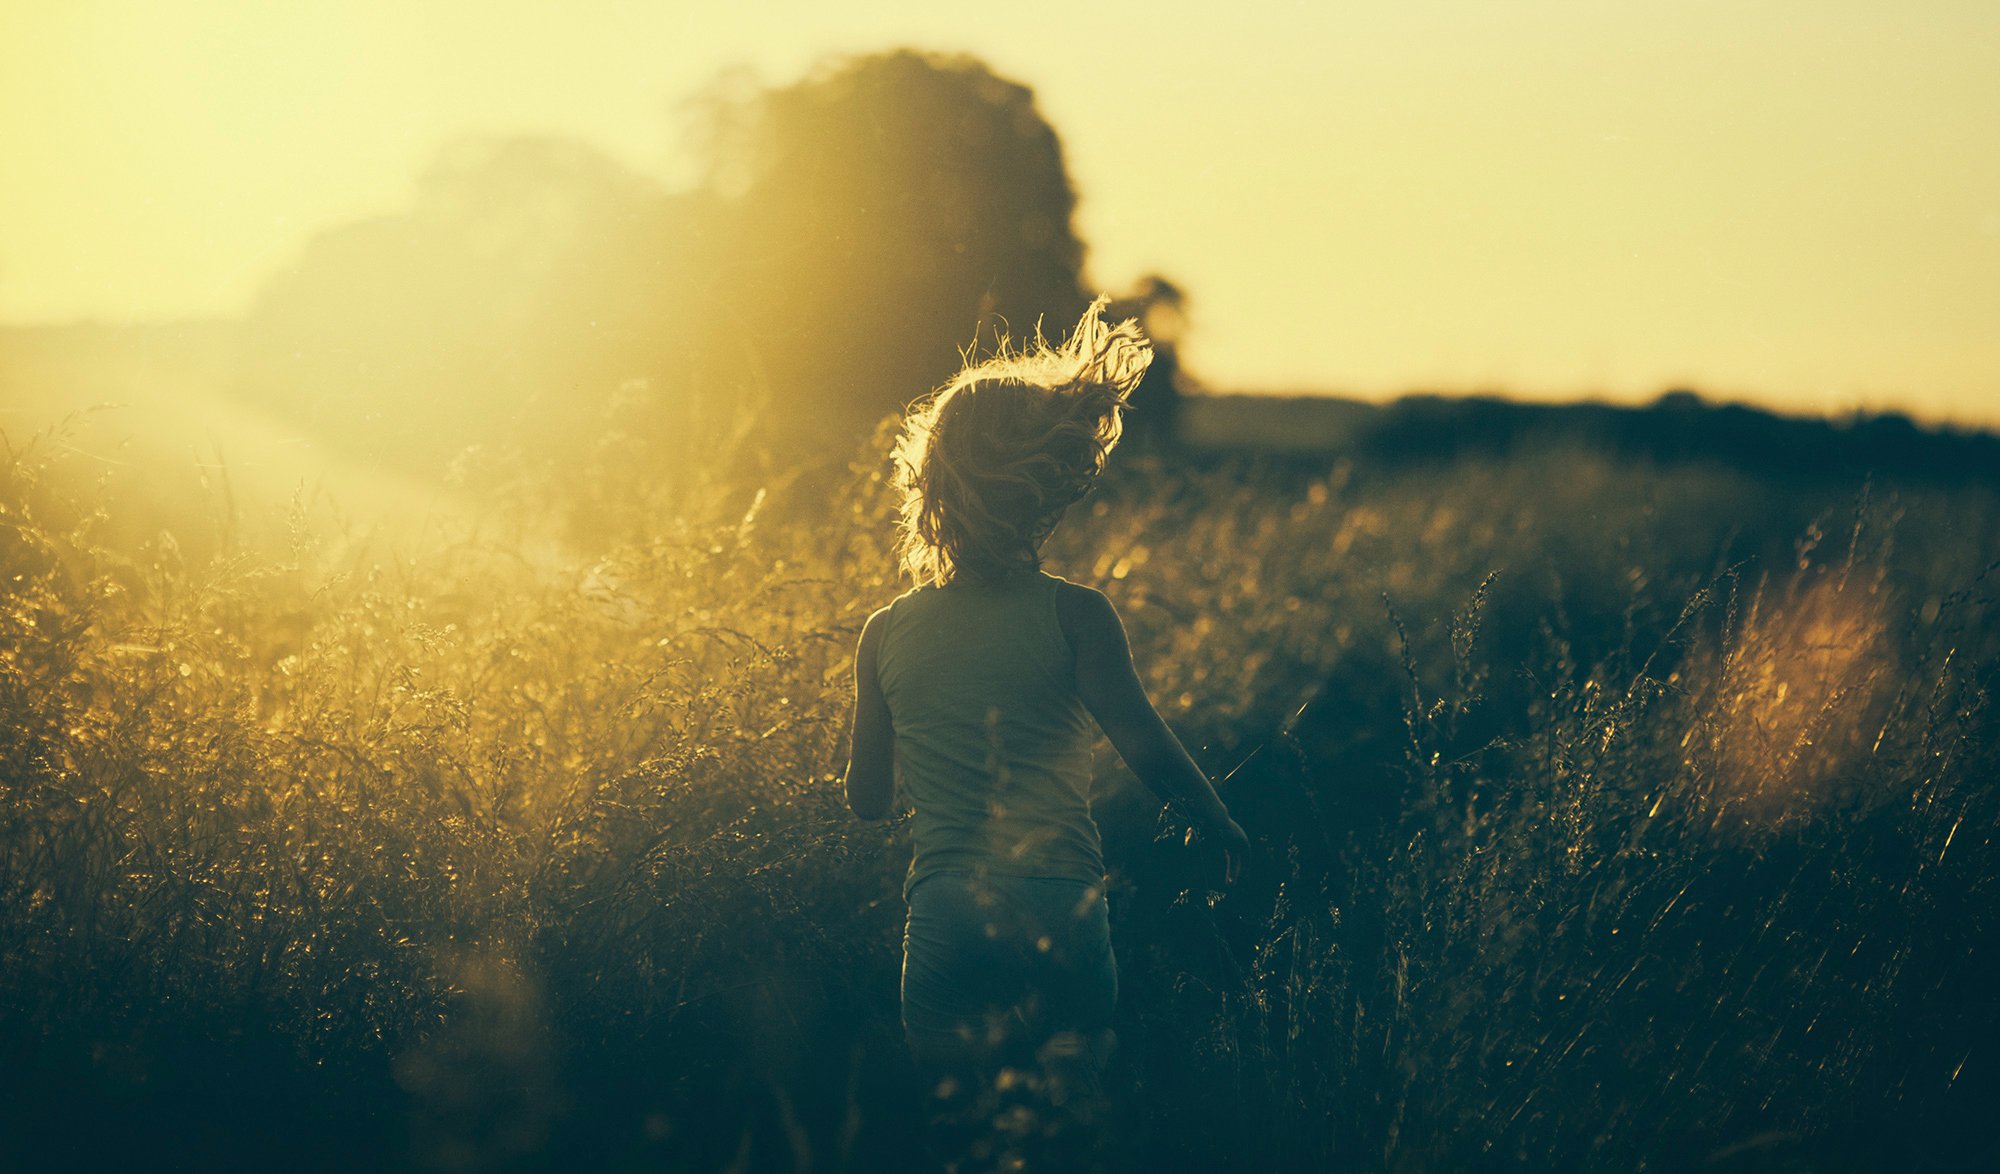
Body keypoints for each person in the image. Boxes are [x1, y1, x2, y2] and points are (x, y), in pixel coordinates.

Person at [842, 298, 1250, 1168]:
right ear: (1045, 484)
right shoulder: (1078, 616)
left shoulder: (885, 632)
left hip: (947, 909)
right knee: (1072, 1132)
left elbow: (869, 804)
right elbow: (1144, 746)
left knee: (957, 1137)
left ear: (930, 484)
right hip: (1062, 905)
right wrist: (1220, 824)